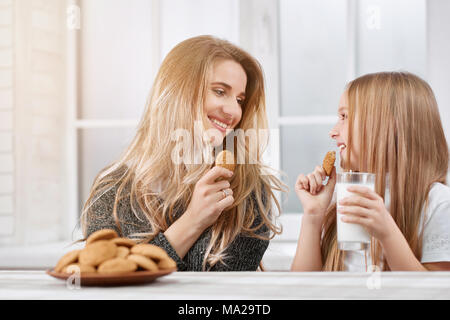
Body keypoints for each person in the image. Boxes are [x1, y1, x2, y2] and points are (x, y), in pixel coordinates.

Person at [80, 35, 286, 271]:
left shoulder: (247, 190)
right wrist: (193, 220)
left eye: (240, 100)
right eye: (220, 91)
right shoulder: (113, 190)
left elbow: (221, 293)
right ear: (179, 91)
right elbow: (109, 282)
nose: (233, 111)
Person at [291, 71, 450, 271]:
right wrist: (313, 216)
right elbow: (303, 289)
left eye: (344, 117)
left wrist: (387, 233)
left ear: (390, 124)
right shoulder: (341, 196)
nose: (333, 131)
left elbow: (435, 292)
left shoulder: (438, 203)